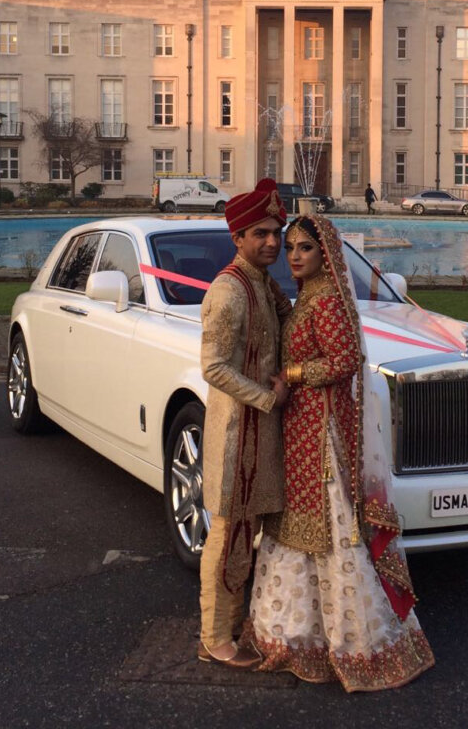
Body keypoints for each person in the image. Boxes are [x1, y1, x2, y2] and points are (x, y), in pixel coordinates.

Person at [248, 213, 435, 692]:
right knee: (297, 525)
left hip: (321, 431)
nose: (294, 255)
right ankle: (297, 633)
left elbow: (346, 360)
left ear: (326, 253)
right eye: (291, 247)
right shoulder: (306, 296)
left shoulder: (328, 300)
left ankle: (355, 642)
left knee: (331, 526)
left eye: (305, 248)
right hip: (300, 425)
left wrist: (292, 376)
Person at [198, 179, 292, 669]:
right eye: (261, 233)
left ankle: (233, 628)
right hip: (237, 434)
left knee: (245, 531)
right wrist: (268, 398)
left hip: (259, 433)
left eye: (277, 233)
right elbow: (213, 367)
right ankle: (215, 639)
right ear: (237, 237)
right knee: (228, 533)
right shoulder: (229, 290)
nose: (272, 242)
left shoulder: (260, 283)